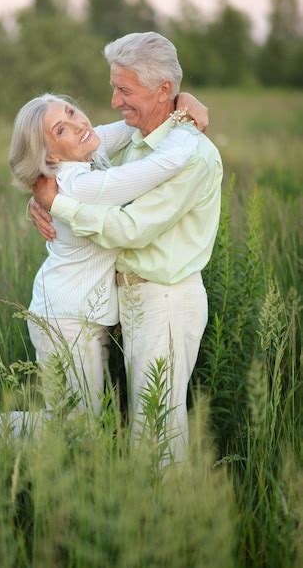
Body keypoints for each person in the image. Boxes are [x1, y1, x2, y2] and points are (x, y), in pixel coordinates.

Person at [31, 32, 223, 462]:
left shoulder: (189, 154)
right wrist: (45, 191)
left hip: (166, 300)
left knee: (158, 434)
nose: (115, 101)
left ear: (162, 90)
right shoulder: (139, 138)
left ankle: (167, 524)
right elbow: (64, 155)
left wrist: (57, 203)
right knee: (138, 426)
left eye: (124, 89)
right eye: (113, 87)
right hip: (126, 299)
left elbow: (131, 228)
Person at [9, 92, 207, 416]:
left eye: (72, 112)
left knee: (79, 426)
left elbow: (135, 123)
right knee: (75, 430)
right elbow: (163, 165)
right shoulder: (77, 185)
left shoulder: (86, 150)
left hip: (81, 315)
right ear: (49, 156)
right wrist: (187, 125)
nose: (77, 124)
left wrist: (179, 100)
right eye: (61, 130)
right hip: (65, 320)